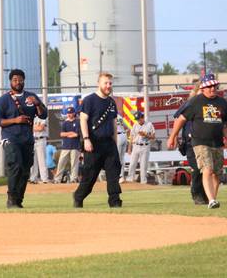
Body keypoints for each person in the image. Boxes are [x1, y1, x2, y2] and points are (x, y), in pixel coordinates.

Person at [168, 74, 227, 209]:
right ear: (203, 88)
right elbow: (180, 119)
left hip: (217, 142)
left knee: (217, 173)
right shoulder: (195, 102)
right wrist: (172, 136)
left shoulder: (222, 103)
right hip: (199, 141)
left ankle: (212, 198)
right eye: (209, 86)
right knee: (207, 169)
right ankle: (210, 199)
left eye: (214, 86)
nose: (212, 89)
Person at [0, 69, 48, 208]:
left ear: (24, 80)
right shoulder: (4, 100)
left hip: (27, 139)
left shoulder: (31, 96)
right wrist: (15, 120)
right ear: (11, 82)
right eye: (15, 80)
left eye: (20, 79)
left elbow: (43, 115)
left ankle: (18, 200)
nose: (18, 82)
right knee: (15, 166)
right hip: (11, 138)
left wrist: (37, 104)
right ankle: (11, 198)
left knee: (25, 170)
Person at [73, 73, 123, 208]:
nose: (108, 86)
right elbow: (83, 120)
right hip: (93, 143)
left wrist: (115, 142)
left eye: (110, 83)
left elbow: (113, 123)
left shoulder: (111, 102)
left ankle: (115, 201)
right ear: (99, 84)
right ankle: (79, 196)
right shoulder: (89, 100)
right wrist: (86, 139)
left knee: (113, 173)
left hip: (109, 143)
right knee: (90, 176)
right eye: (106, 83)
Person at [174, 82, 208, 205]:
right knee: (196, 168)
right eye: (201, 90)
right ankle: (197, 194)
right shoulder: (189, 104)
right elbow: (178, 119)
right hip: (190, 142)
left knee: (207, 169)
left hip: (205, 141)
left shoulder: (209, 105)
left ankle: (206, 195)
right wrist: (174, 137)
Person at [126, 111, 155, 184]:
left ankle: (143, 181)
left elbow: (153, 137)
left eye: (139, 119)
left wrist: (146, 135)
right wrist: (129, 148)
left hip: (145, 146)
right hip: (136, 146)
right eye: (137, 119)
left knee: (143, 165)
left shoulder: (149, 124)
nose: (138, 120)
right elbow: (131, 137)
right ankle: (130, 179)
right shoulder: (135, 125)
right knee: (132, 164)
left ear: (142, 117)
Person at [54, 107, 80, 183]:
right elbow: (62, 134)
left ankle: (74, 178)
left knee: (74, 163)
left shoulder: (77, 122)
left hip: (75, 146)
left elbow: (76, 134)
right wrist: (70, 133)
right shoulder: (65, 123)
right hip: (66, 146)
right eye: (68, 113)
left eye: (71, 113)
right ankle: (57, 179)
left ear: (74, 113)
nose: (69, 114)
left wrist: (67, 134)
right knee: (61, 163)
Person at [29, 118, 50, 183]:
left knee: (42, 160)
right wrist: (35, 127)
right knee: (32, 160)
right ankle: (33, 178)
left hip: (41, 139)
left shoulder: (43, 116)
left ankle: (44, 179)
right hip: (32, 140)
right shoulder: (31, 116)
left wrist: (32, 127)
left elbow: (41, 128)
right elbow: (27, 127)